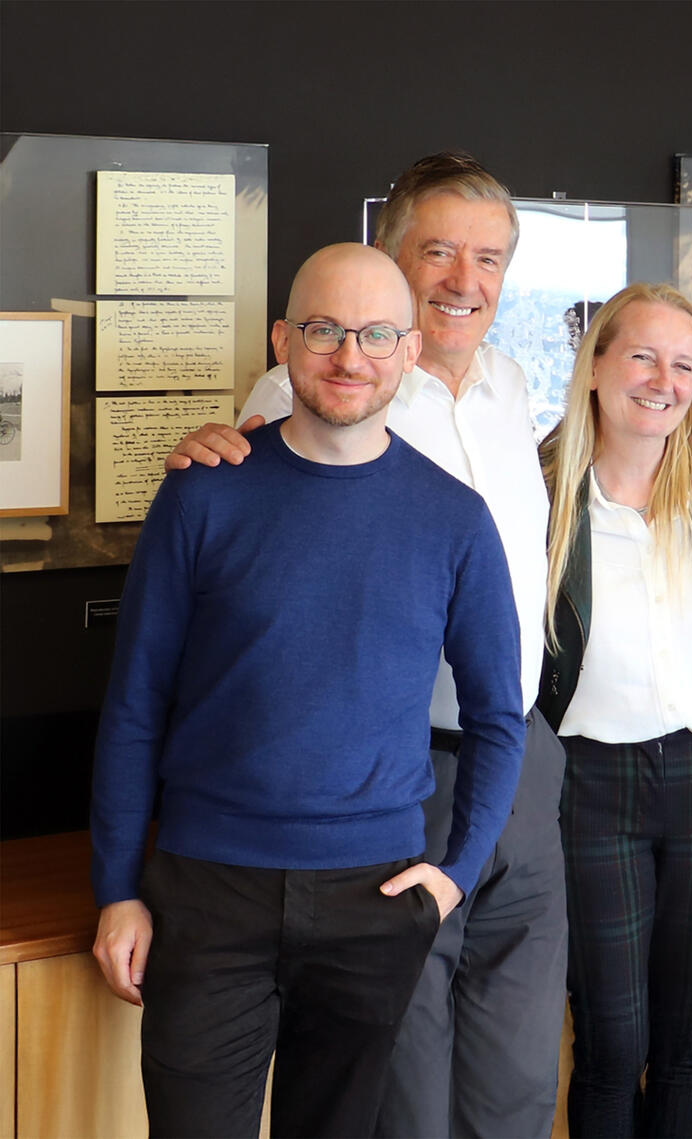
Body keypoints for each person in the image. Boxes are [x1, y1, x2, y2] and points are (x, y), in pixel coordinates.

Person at [165, 153, 567, 1139]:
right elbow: (248, 493)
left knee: (516, 1080)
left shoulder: (513, 385)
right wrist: (202, 445)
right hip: (393, 782)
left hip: (519, 754)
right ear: (387, 253)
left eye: (489, 258)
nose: (465, 279)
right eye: (439, 252)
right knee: (400, 1094)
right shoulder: (320, 384)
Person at [91, 243, 525, 1138]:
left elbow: (497, 716)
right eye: (325, 330)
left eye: (376, 334)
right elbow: (135, 703)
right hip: (207, 892)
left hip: (375, 899)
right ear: (284, 340)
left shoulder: (455, 518)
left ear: (410, 351)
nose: (350, 356)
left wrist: (455, 875)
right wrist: (117, 886)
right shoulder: (201, 496)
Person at [538, 283, 692, 1138]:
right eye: (642, 356)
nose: (664, 381)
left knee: (691, 1046)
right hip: (590, 788)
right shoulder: (540, 493)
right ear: (595, 365)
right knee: (610, 1042)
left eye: (684, 364)